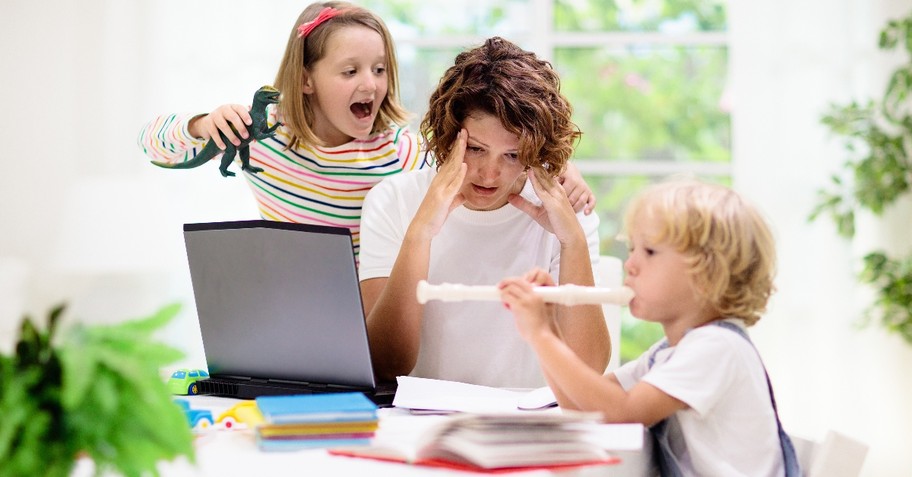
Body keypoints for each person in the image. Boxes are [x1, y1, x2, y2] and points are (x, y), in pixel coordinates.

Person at [137, 2, 595, 257]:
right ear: (305, 79)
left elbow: (488, 150)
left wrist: (560, 165)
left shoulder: (400, 150)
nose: (370, 84)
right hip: (293, 307)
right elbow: (153, 143)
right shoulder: (262, 136)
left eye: (379, 69)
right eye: (350, 71)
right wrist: (202, 124)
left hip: (369, 313)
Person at [500, 178, 800, 476]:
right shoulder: (669, 353)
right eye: (632, 249)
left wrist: (539, 335)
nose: (630, 264)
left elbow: (622, 413)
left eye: (650, 252)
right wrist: (549, 329)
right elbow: (581, 407)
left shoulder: (717, 348)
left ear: (709, 273)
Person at [358, 37, 610, 389]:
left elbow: (588, 370)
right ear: (448, 136)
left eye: (512, 155)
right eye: (475, 149)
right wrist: (420, 233)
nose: (489, 174)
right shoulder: (392, 201)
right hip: (418, 424)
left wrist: (572, 241)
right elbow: (387, 363)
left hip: (527, 420)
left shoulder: (564, 210)